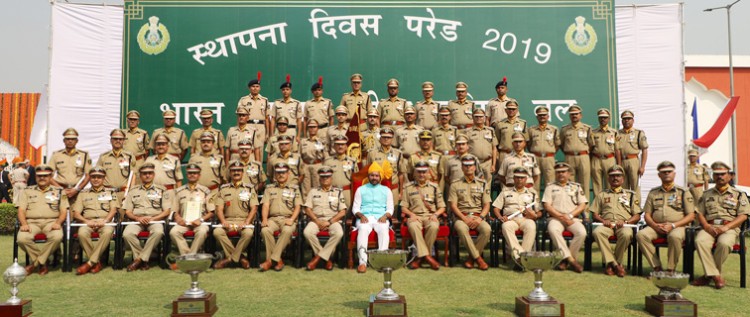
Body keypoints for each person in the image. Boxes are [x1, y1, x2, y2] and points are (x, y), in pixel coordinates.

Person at [692, 161, 749, 289]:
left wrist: (726, 227)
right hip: (709, 227)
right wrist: (706, 226)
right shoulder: (706, 194)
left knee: (724, 244)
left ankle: (708, 276)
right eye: (717, 174)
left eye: (723, 174)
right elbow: (699, 212)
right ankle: (716, 276)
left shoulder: (739, 194)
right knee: (700, 241)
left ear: (730, 176)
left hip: (729, 227)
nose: (720, 177)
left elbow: (743, 215)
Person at [636, 161, 695, 273]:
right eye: (663, 172)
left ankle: (670, 270)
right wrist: (655, 225)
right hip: (657, 226)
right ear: (659, 175)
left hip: (678, 226)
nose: (667, 174)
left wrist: (673, 225)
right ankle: (657, 268)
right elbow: (647, 214)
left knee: (674, 237)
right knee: (641, 235)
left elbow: (691, 215)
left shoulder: (683, 192)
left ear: (674, 174)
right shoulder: (653, 192)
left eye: (669, 171)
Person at [16, 165, 68, 275]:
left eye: (45, 176)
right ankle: (42, 263)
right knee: (22, 238)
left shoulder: (59, 191)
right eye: (39, 176)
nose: (42, 178)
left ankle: (36, 263)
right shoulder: (27, 191)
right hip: (31, 223)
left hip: (51, 222)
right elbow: (21, 210)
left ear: (51, 177)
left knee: (57, 236)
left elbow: (63, 211)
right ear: (35, 177)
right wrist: (24, 224)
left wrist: (58, 223)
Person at [591, 165, 641, 277]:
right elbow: (594, 213)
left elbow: (637, 216)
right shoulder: (602, 194)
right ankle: (616, 265)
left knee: (627, 234)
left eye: (618, 175)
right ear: (608, 179)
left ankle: (612, 265)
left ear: (623, 178)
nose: (615, 178)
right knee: (597, 232)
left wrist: (626, 222)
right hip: (606, 225)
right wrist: (603, 220)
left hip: (624, 225)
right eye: (612, 176)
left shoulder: (630, 195)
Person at [122, 163, 172, 271]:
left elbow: (167, 211)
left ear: (153, 175)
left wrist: (153, 219)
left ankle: (139, 260)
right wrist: (137, 218)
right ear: (140, 176)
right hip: (137, 220)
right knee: (127, 234)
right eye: (144, 174)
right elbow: (128, 211)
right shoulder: (133, 191)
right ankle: (143, 261)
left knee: (158, 232)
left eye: (150, 173)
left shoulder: (162, 190)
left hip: (155, 219)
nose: (147, 176)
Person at [213, 161, 258, 270]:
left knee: (248, 233)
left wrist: (247, 222)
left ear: (242, 173)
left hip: (244, 221)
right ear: (230, 173)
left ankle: (229, 259)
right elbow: (219, 209)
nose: (236, 172)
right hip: (228, 220)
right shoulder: (223, 189)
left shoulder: (250, 189)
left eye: (238, 170)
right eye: (233, 171)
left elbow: (254, 208)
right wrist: (223, 221)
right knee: (217, 232)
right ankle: (240, 257)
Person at [492, 167, 540, 269]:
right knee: (506, 226)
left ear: (526, 179)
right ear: (513, 179)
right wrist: (500, 217)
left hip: (526, 219)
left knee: (531, 226)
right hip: (510, 219)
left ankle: (520, 259)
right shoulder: (505, 191)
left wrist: (534, 215)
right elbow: (496, 208)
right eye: (517, 177)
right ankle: (522, 258)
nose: (519, 180)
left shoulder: (532, 193)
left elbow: (539, 211)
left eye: (522, 178)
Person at [543, 162, 587, 273]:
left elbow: (582, 204)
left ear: (568, 173)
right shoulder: (550, 187)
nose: (560, 174)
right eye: (558, 172)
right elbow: (547, 205)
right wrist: (561, 216)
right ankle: (572, 260)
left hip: (572, 218)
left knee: (582, 233)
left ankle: (566, 259)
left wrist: (570, 215)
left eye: (563, 172)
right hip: (555, 218)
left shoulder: (576, 187)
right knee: (553, 230)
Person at [72, 167, 118, 275]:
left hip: (105, 222)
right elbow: (76, 213)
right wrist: (86, 221)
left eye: (99, 177)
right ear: (90, 179)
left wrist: (105, 221)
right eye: (93, 177)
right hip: (88, 222)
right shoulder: (83, 193)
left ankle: (90, 263)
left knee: (107, 232)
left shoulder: (111, 192)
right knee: (82, 233)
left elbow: (113, 210)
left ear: (104, 178)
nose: (96, 179)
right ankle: (96, 262)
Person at [449, 155, 491, 270]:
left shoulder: (482, 183)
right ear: (462, 168)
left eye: (471, 165)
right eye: (466, 166)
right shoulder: (455, 184)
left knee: (487, 230)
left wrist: (480, 218)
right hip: (461, 217)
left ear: (475, 167)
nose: (468, 168)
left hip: (478, 216)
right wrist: (464, 218)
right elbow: (453, 205)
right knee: (462, 229)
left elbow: (487, 204)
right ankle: (478, 259)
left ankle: (471, 259)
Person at [168, 164, 215, 269]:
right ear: (186, 174)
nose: (192, 175)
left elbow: (212, 211)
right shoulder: (179, 191)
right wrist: (178, 218)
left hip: (200, 222)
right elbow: (174, 210)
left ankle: (186, 260)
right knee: (174, 232)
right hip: (184, 222)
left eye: (195, 173)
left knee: (202, 232)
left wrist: (201, 219)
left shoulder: (205, 191)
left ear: (199, 175)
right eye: (190, 173)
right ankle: (190, 258)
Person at [351, 162, 395, 273]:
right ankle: (362, 263)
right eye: (372, 175)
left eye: (376, 175)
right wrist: (361, 215)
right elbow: (355, 208)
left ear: (380, 177)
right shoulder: (361, 189)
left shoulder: (386, 190)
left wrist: (385, 216)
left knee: (384, 229)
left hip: (381, 217)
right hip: (364, 217)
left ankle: (381, 262)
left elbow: (390, 208)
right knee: (363, 229)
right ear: (368, 176)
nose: (374, 178)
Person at [401, 161, 444, 270]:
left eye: (424, 172)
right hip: (415, 216)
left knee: (434, 226)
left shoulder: (434, 187)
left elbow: (442, 207)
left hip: (430, 216)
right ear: (414, 173)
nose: (421, 174)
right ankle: (428, 258)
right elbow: (403, 207)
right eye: (419, 172)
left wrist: (435, 214)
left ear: (429, 172)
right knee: (413, 226)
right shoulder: (408, 187)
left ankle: (420, 258)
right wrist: (411, 214)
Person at [259, 163, 302, 272]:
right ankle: (278, 260)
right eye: (278, 172)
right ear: (275, 174)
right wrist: (264, 219)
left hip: (288, 218)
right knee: (265, 230)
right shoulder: (269, 188)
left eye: (283, 172)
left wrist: (292, 219)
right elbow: (265, 205)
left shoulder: (294, 189)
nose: (281, 175)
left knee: (287, 230)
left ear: (288, 174)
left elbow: (298, 207)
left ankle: (270, 260)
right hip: (272, 219)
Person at [302, 167, 347, 271]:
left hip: (333, 220)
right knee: (307, 232)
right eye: (323, 177)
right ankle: (326, 260)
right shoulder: (313, 191)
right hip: (315, 219)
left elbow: (343, 212)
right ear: (319, 178)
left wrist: (329, 222)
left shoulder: (338, 192)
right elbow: (307, 209)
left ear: (331, 178)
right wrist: (317, 221)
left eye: (327, 177)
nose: (325, 179)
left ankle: (317, 258)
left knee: (339, 233)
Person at [49, 128, 92, 203]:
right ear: (64, 141)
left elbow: (88, 175)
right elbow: (48, 176)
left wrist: (77, 189)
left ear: (77, 141)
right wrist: (60, 189)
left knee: (75, 213)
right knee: (58, 214)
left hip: (77, 191)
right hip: (59, 190)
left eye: (73, 139)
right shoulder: (56, 155)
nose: (70, 141)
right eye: (68, 139)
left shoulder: (84, 155)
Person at [95, 129, 136, 204]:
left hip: (123, 193)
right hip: (107, 193)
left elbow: (133, 175)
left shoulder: (129, 156)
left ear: (123, 141)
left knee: (123, 215)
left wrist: (131, 192)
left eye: (120, 139)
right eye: (115, 139)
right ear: (111, 140)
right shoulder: (103, 157)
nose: (118, 141)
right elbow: (97, 175)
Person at [560, 105, 592, 199]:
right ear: (569, 116)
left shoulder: (587, 128)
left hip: (583, 157)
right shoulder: (564, 129)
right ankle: (572, 210)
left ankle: (585, 212)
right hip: (569, 158)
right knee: (570, 184)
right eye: (572, 114)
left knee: (585, 184)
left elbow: (591, 144)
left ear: (580, 115)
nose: (574, 116)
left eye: (576, 114)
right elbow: (561, 144)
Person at [365, 127, 406, 200]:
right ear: (380, 139)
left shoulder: (398, 154)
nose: (386, 139)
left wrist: (401, 192)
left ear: (392, 139)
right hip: (376, 188)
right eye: (384, 137)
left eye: (388, 137)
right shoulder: (372, 153)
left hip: (393, 189)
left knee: (393, 210)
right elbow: (366, 173)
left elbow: (401, 174)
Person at [527, 106, 560, 194]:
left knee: (550, 183)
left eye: (544, 115)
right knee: (535, 183)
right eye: (540, 115)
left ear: (548, 116)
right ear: (537, 117)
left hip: (549, 159)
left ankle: (548, 205)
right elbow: (528, 144)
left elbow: (557, 144)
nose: (542, 117)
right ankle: (536, 205)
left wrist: (549, 152)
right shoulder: (531, 130)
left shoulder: (554, 129)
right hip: (535, 158)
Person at [589, 108, 621, 197]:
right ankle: (597, 208)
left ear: (609, 118)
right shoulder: (593, 132)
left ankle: (609, 205)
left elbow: (617, 150)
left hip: (609, 159)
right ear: (598, 119)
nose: (603, 119)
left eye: (605, 117)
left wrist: (619, 164)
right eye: (601, 117)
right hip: (596, 159)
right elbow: (590, 149)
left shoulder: (614, 132)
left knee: (610, 183)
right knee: (596, 185)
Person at [617, 110, 648, 193]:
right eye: (624, 119)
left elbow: (644, 150)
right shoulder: (618, 133)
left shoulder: (638, 133)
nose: (626, 120)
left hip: (633, 161)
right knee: (623, 186)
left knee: (635, 186)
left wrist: (642, 166)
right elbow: (617, 150)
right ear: (622, 121)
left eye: (629, 119)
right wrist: (619, 165)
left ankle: (636, 205)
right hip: (622, 161)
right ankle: (624, 205)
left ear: (633, 120)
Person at [465, 108, 497, 186]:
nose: (479, 118)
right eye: (476, 116)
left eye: (481, 116)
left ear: (484, 118)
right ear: (473, 118)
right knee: (473, 185)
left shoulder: (490, 130)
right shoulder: (468, 132)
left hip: (487, 162)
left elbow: (494, 148)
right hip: (473, 163)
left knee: (487, 186)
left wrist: (493, 164)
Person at [324, 135, 358, 206]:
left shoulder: (352, 161)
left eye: (342, 144)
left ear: (346, 147)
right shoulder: (328, 162)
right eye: (338, 144)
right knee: (332, 212)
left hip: (347, 192)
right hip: (333, 192)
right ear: (334, 147)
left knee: (348, 214)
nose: (340, 147)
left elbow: (356, 180)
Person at [237, 72, 270, 145]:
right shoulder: (243, 100)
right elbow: (239, 117)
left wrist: (268, 133)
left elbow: (267, 118)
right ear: (249, 88)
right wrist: (239, 130)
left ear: (260, 88)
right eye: (253, 86)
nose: (255, 88)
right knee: (248, 148)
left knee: (260, 150)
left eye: (257, 86)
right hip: (248, 126)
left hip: (261, 127)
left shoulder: (265, 100)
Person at [494, 100, 528, 168]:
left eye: (513, 109)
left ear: (517, 110)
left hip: (519, 154)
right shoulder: (500, 124)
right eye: (509, 109)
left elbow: (526, 140)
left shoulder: (522, 123)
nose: (511, 111)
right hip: (504, 154)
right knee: (503, 177)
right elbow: (496, 142)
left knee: (518, 175)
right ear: (506, 110)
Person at [300, 119, 328, 197]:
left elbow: (324, 155)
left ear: (317, 128)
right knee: (306, 190)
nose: (312, 129)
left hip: (317, 165)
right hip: (306, 165)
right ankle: (305, 208)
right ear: (308, 128)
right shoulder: (303, 141)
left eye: (314, 127)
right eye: (310, 127)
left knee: (318, 187)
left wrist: (318, 142)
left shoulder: (321, 141)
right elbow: (299, 155)